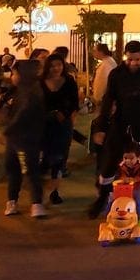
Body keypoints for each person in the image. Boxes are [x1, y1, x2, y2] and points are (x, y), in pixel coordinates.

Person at [88, 40, 140, 219]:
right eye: (130, 59)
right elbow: (108, 100)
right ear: (125, 57)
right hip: (121, 124)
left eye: (137, 59)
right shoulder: (117, 74)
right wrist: (101, 127)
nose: (133, 63)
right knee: (109, 164)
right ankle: (101, 199)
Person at [2, 60, 48, 218]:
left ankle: (36, 203)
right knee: (13, 168)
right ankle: (12, 200)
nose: (12, 77)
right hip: (16, 138)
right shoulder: (19, 90)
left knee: (29, 170)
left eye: (15, 73)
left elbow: (24, 113)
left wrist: (9, 128)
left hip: (26, 139)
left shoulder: (32, 92)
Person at [40, 53, 79, 205]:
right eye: (53, 65)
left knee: (60, 157)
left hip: (63, 124)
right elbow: (36, 102)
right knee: (45, 157)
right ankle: (39, 191)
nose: (56, 68)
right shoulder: (40, 82)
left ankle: (55, 191)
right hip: (44, 124)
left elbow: (75, 102)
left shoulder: (69, 81)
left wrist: (65, 113)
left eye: (59, 65)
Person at [91, 43, 118, 108]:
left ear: (101, 52)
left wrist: (98, 98)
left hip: (104, 99)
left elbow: (102, 83)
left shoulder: (106, 64)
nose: (93, 53)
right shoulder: (108, 62)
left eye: (95, 51)